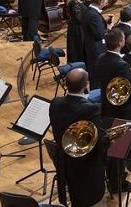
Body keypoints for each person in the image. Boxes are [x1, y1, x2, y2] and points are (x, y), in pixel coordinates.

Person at [49, 68, 107, 207]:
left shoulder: (55, 103)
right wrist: (109, 140)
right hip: (85, 167)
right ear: (86, 85)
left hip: (64, 163)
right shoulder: (90, 109)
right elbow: (99, 143)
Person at [94, 28, 131, 192]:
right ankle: (118, 183)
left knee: (111, 146)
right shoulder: (121, 64)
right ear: (121, 43)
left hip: (107, 107)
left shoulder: (101, 58)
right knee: (119, 149)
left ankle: (114, 179)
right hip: (123, 111)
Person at [82, 0, 111, 71]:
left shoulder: (88, 10)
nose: (106, 4)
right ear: (100, 2)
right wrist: (108, 28)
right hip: (96, 49)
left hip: (89, 45)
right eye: (105, 2)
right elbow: (99, 34)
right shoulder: (94, 15)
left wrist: (103, 23)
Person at [65, 0, 87, 64]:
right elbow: (80, 19)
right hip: (77, 29)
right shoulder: (73, 3)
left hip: (77, 27)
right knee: (78, 49)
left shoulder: (76, 1)